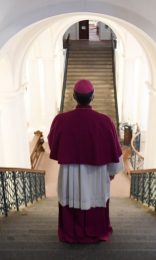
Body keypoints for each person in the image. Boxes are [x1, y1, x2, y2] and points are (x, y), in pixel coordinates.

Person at [48, 79, 123, 243]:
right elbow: (115, 148)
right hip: (96, 174)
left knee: (71, 197)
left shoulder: (61, 120)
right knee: (95, 197)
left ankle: (71, 232)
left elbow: (53, 142)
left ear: (74, 96)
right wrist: (111, 172)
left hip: (70, 173)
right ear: (92, 97)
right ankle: (96, 231)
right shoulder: (105, 121)